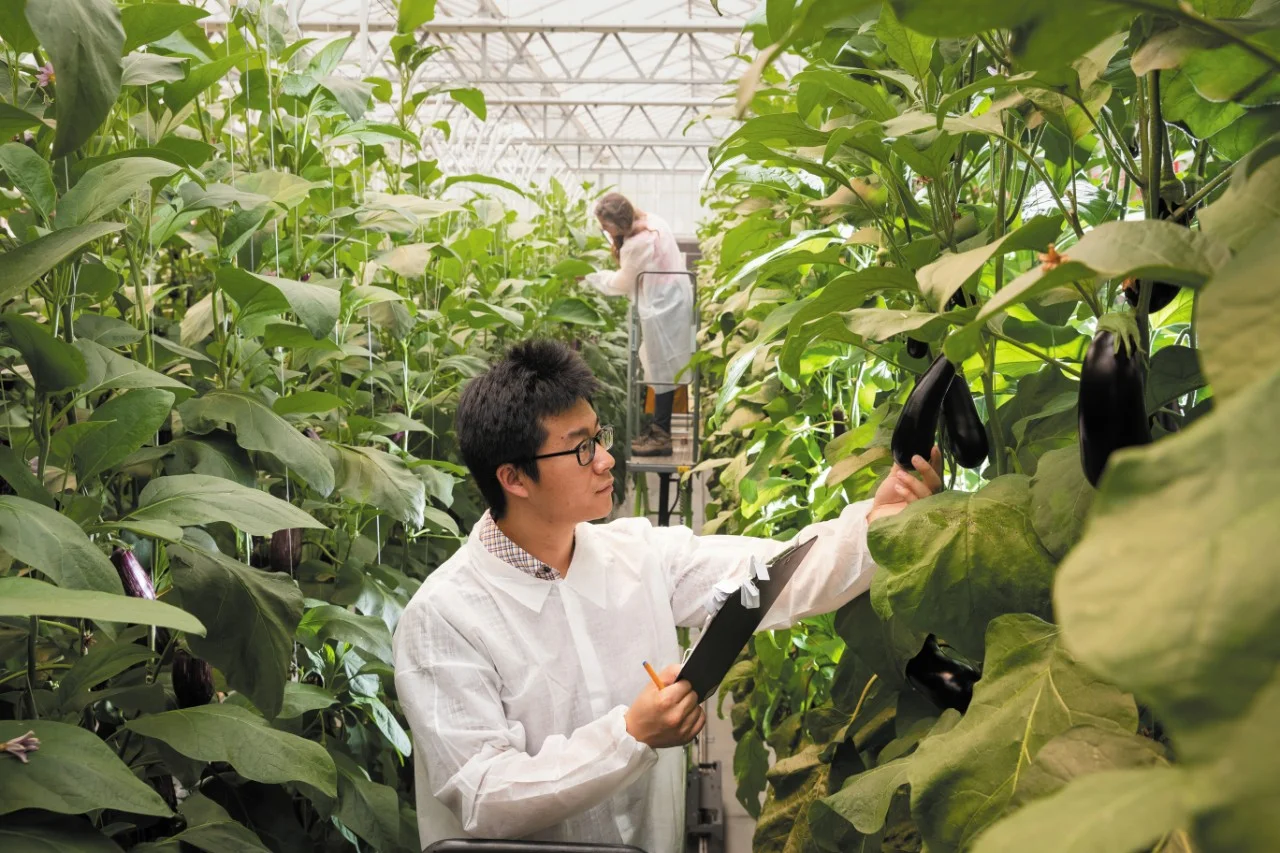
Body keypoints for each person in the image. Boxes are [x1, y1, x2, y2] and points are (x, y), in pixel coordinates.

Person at [392, 340, 942, 852]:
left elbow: (777, 576)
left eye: (598, 436)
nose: (606, 459)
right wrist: (629, 736)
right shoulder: (446, 618)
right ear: (514, 478)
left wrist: (879, 521)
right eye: (581, 449)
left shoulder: (636, 555)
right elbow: (483, 794)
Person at [584, 193, 693, 457]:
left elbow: (622, 282)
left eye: (606, 226)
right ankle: (659, 429)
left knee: (661, 369)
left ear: (619, 222)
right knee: (665, 367)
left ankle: (661, 434)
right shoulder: (655, 222)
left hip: (661, 308)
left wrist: (591, 277)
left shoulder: (636, 244)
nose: (604, 231)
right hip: (675, 301)